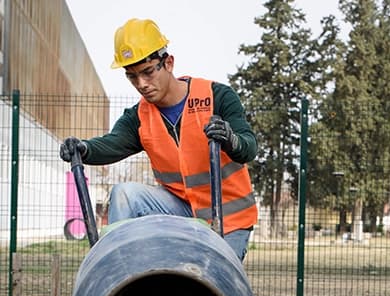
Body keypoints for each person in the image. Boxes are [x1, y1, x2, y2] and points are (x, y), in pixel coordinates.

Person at [60, 18, 258, 261]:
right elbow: (112, 143)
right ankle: (121, 273)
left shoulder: (217, 97)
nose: (141, 84)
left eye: (148, 71)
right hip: (181, 211)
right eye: (132, 76)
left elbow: (248, 147)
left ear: (169, 63)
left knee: (212, 285)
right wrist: (84, 148)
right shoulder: (139, 117)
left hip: (229, 216)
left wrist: (230, 138)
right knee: (125, 193)